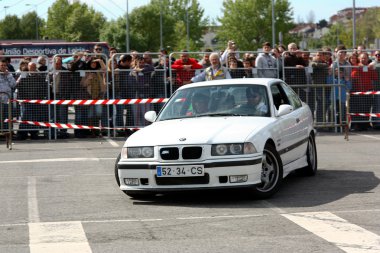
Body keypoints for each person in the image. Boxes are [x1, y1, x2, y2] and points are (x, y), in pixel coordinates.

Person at [350, 52, 378, 131]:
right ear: (359, 58)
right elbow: (353, 75)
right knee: (357, 109)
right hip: (357, 92)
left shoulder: (370, 67)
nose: (363, 59)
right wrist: (359, 68)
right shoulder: (355, 67)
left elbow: (375, 77)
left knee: (367, 108)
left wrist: (371, 69)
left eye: (365, 58)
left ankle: (365, 124)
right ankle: (356, 124)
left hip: (367, 92)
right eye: (362, 58)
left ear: (368, 59)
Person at [0, 58, 16, 132]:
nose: (3, 67)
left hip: (7, 100)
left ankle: (8, 132)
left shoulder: (9, 74)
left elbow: (13, 84)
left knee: (8, 117)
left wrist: (8, 75)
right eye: (1, 65)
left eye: (4, 65)